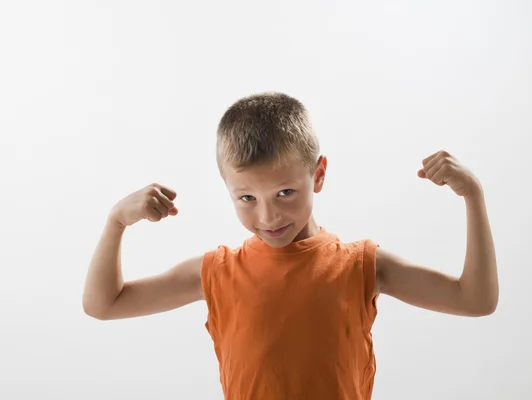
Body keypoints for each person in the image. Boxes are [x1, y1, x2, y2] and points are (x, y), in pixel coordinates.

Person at [82, 92, 499, 400]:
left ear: (318, 175)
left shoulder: (362, 266)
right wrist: (116, 221)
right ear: (228, 189)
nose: (268, 217)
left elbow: (475, 299)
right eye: (247, 198)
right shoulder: (215, 272)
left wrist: (473, 197)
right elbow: (105, 304)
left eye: (284, 192)